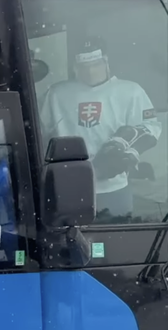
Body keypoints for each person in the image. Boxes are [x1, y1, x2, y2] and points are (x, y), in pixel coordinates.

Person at [39, 37, 161, 220]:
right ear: (75, 66)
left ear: (106, 61)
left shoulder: (130, 91)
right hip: (68, 186)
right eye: (83, 66)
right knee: (71, 241)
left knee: (115, 243)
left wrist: (129, 150)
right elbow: (38, 132)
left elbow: (151, 127)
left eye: (95, 64)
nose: (90, 71)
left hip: (114, 186)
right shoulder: (56, 93)